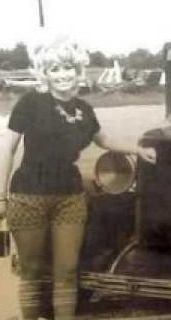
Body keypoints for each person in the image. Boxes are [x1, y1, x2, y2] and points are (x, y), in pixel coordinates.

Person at [0, 37, 154, 320]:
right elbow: (6, 147)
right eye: (54, 68)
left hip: (70, 198)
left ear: (78, 70)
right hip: (27, 197)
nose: (62, 74)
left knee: (68, 272)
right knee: (32, 272)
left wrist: (138, 149)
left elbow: (103, 139)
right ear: (45, 73)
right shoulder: (31, 102)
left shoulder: (85, 108)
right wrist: (0, 197)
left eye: (67, 67)